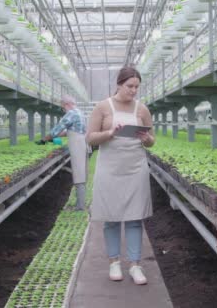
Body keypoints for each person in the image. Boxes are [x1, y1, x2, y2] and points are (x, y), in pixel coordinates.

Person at [86, 66, 155, 285]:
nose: (133, 91)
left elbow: (152, 140)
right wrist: (110, 133)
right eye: (130, 86)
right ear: (119, 84)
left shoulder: (142, 109)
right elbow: (90, 138)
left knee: (135, 217)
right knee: (111, 217)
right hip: (110, 168)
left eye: (136, 86)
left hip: (135, 167)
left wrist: (146, 139)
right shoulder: (102, 107)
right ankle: (114, 262)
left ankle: (135, 265)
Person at [40, 95, 88, 210]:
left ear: (67, 104)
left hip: (77, 146)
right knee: (81, 172)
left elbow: (57, 129)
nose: (63, 110)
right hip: (82, 143)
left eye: (63, 108)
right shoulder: (80, 113)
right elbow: (69, 131)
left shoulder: (71, 113)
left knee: (78, 173)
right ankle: (80, 203)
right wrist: (53, 137)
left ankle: (80, 206)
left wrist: (44, 140)